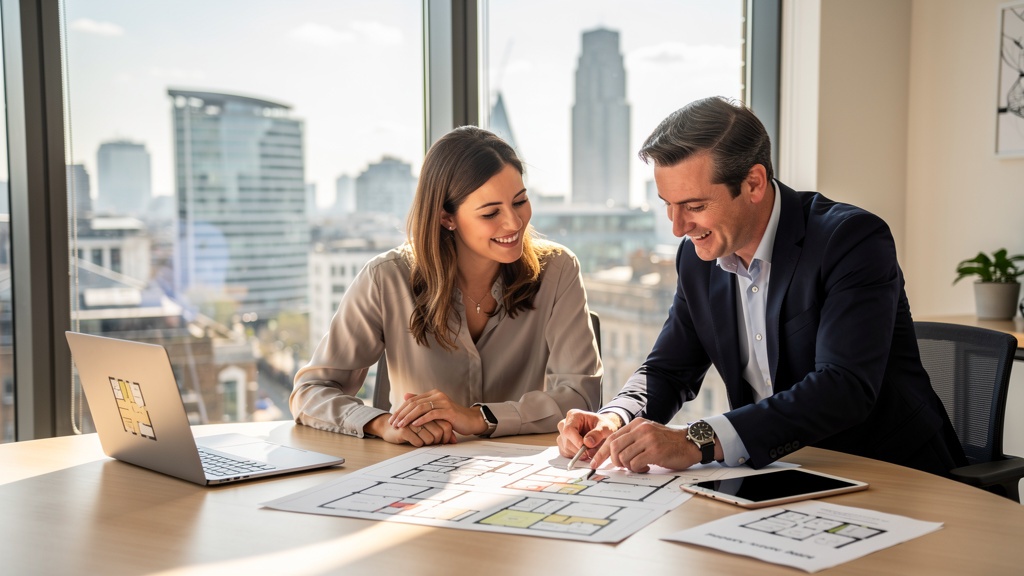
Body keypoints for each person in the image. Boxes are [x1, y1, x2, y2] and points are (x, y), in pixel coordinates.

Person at [557, 96, 967, 477]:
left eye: (695, 206)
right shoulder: (698, 259)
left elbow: (843, 388)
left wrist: (696, 441)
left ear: (753, 183)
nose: (678, 227)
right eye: (668, 205)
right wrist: (615, 417)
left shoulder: (851, 240)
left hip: (889, 473)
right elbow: (668, 369)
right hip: (775, 474)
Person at [291, 126, 602, 446]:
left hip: (519, 474)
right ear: (446, 218)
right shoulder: (386, 278)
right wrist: (381, 423)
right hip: (416, 474)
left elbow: (581, 397)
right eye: (491, 212)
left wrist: (479, 418)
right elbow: (310, 391)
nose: (514, 222)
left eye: (520, 201)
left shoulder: (558, 269)